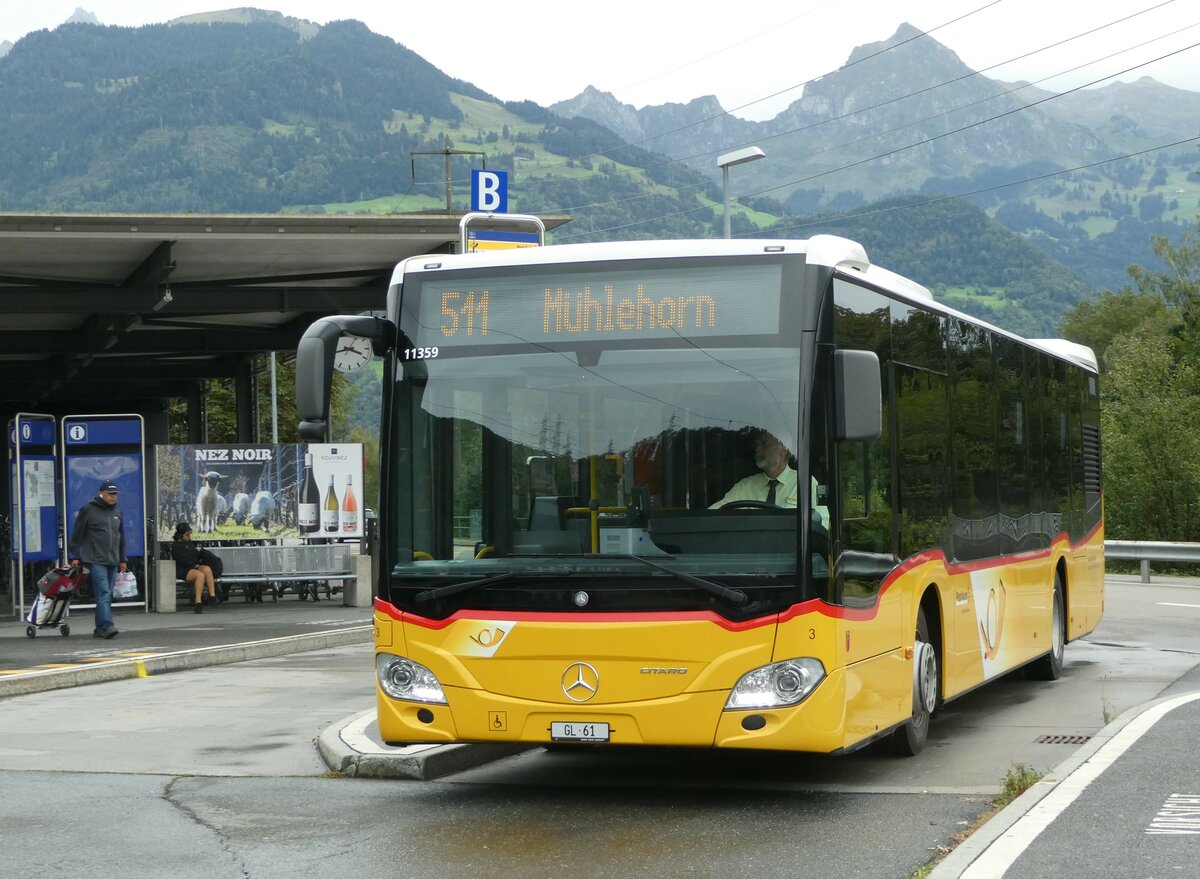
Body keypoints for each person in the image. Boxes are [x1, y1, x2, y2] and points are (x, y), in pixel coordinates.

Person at [68, 480, 127, 639]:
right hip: (95, 559)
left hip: (113, 559)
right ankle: (108, 625)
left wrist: (122, 558)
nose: (114, 497)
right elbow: (77, 533)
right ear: (102, 493)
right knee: (103, 592)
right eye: (110, 494)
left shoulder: (117, 512)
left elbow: (120, 536)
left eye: (115, 494)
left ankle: (99, 628)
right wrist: (75, 555)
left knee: (106, 594)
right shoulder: (88, 509)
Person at [710, 430, 799, 509]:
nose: (758, 449)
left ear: (784, 448)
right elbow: (715, 514)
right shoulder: (745, 487)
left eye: (764, 444)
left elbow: (811, 521)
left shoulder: (803, 484)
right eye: (757, 445)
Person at [171, 522, 218, 613]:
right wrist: (194, 560)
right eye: (187, 535)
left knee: (207, 569)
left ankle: (212, 596)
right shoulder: (175, 547)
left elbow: (194, 555)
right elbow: (183, 561)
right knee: (200, 575)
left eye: (189, 534)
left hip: (192, 566)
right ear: (181, 535)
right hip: (183, 569)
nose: (189, 537)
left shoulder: (189, 543)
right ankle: (198, 602)